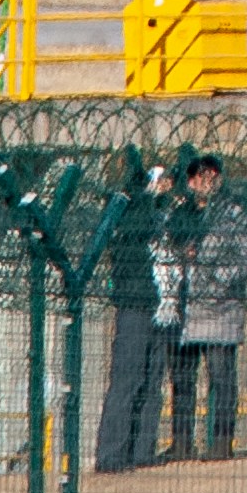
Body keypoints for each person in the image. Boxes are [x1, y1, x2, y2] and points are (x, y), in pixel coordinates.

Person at [163, 153, 247, 463]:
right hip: (184, 305)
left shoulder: (232, 214)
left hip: (219, 308)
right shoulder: (181, 215)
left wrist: (219, 278)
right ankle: (181, 441)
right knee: (182, 378)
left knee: (221, 377)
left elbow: (246, 254)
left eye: (212, 176)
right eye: (201, 177)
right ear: (191, 182)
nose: (208, 181)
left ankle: (221, 442)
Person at [93, 155, 172, 473]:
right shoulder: (126, 212)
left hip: (160, 306)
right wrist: (149, 194)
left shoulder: (159, 214)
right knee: (127, 379)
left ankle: (142, 450)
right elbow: (134, 228)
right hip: (134, 304)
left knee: (152, 381)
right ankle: (112, 455)